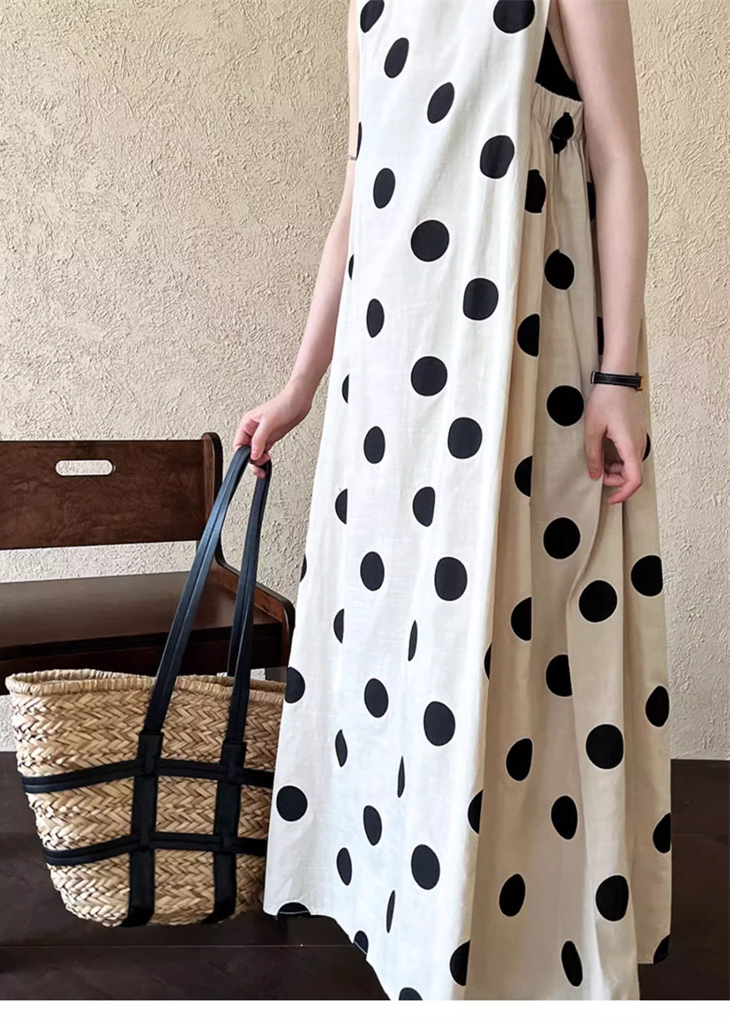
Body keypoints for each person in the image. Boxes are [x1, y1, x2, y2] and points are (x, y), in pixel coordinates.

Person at [235, 0, 671, 1001]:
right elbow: (362, 193)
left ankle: (524, 939)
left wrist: (620, 376)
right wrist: (302, 383)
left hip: (522, 368)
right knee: (400, 653)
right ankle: (407, 913)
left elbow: (617, 159)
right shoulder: (367, 6)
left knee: (526, 644)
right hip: (390, 385)